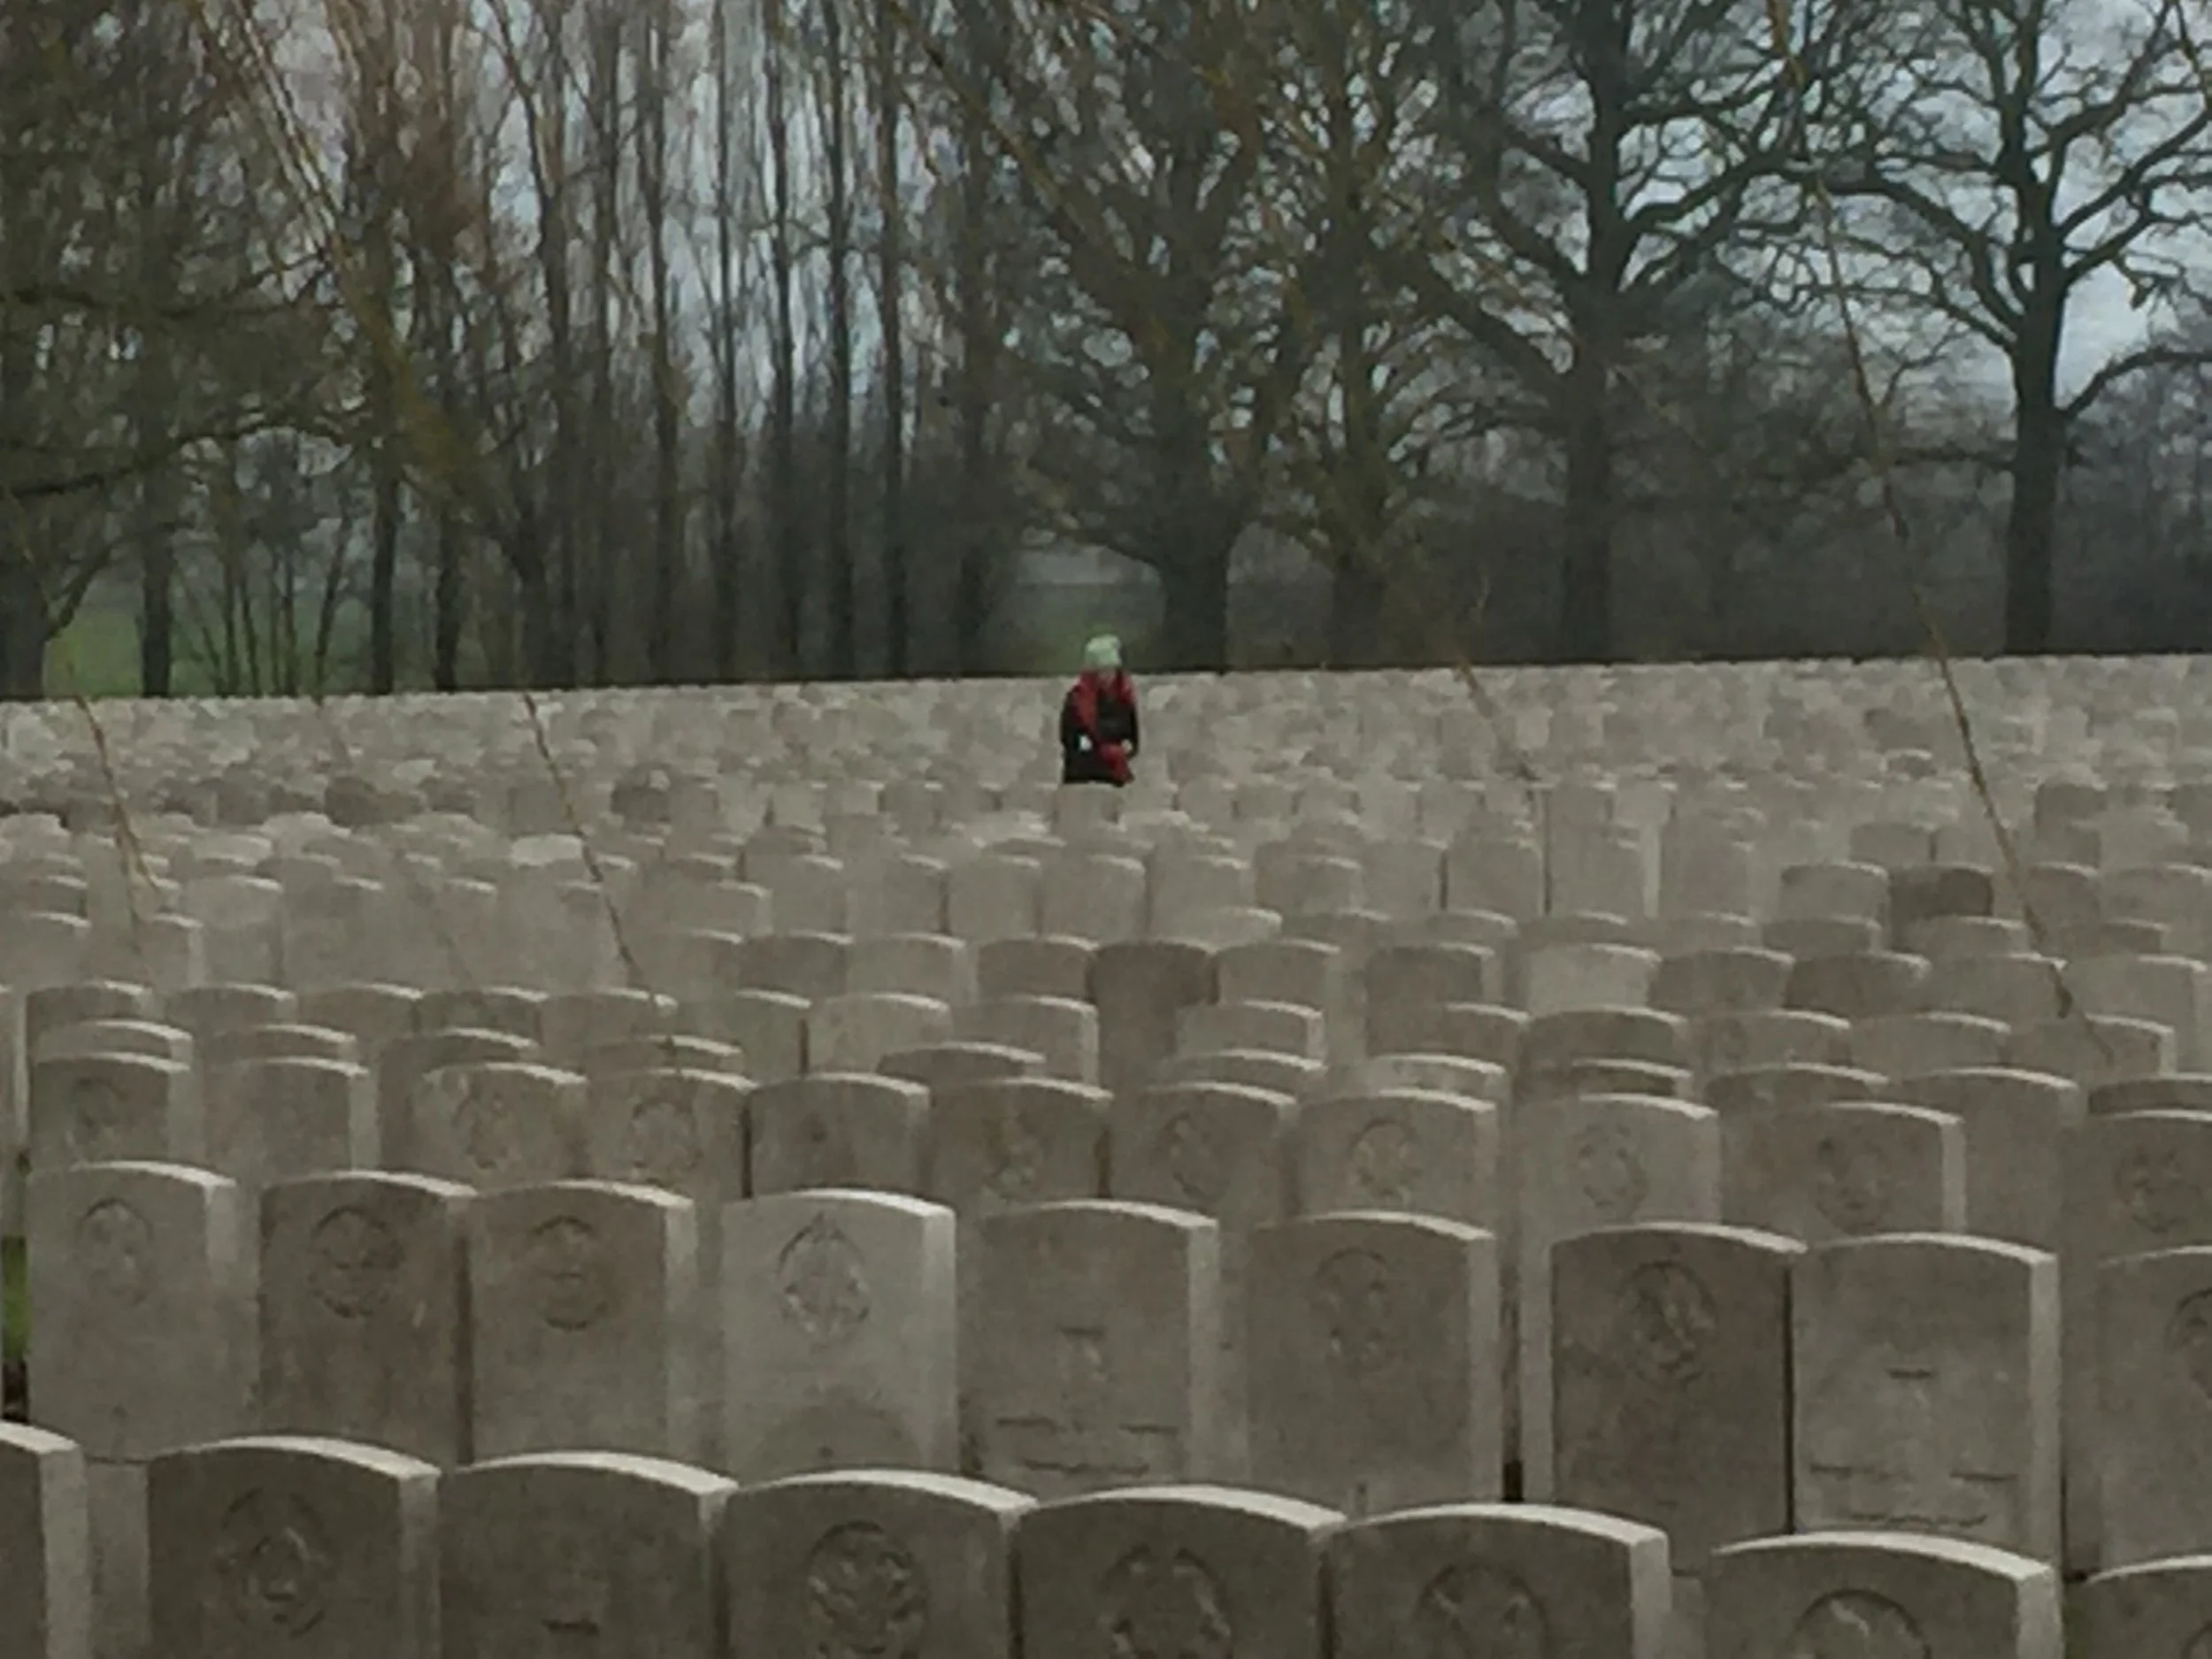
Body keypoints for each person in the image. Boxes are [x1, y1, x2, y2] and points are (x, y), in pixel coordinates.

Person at [1061, 633, 1141, 786]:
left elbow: (1132, 736)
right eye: (1102, 671)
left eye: (1111, 670)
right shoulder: (1076, 700)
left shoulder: (1124, 698)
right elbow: (1072, 740)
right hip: (1082, 775)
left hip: (1116, 774)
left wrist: (1126, 748)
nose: (1107, 676)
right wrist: (1098, 751)